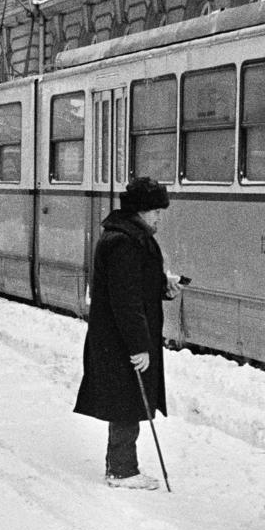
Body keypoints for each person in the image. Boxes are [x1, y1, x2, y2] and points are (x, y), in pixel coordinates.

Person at [73, 176, 180, 490]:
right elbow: (125, 300)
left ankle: (122, 465)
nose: (160, 217)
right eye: (156, 211)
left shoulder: (131, 237)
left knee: (128, 399)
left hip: (118, 337)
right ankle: (122, 470)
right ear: (140, 211)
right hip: (119, 340)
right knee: (127, 400)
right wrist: (139, 345)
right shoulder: (123, 242)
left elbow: (138, 286)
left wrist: (165, 287)